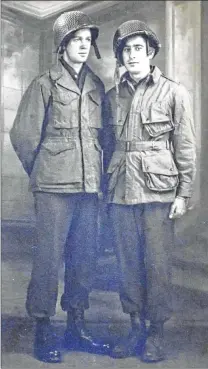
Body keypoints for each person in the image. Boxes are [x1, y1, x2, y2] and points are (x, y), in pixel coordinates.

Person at [10, 10, 110, 363]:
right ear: (63, 45)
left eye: (87, 41)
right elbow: (23, 136)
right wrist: (44, 172)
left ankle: (76, 327)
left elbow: (105, 138)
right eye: (76, 41)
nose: (83, 47)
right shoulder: (44, 83)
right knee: (48, 260)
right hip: (53, 187)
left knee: (84, 258)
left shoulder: (96, 86)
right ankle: (42, 329)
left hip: (88, 187)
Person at [103, 20, 196, 362]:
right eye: (125, 50)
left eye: (138, 48)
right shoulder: (111, 97)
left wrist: (184, 194)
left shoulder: (174, 92)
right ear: (121, 57)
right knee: (127, 264)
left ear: (151, 53)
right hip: (121, 191)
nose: (132, 55)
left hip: (158, 192)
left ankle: (155, 332)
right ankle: (135, 327)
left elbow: (185, 146)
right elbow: (105, 145)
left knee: (156, 264)